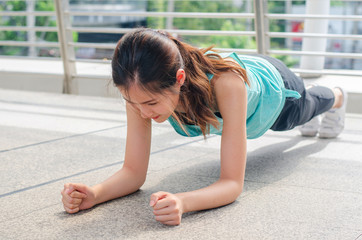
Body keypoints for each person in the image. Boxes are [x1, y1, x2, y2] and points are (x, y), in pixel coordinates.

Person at [61, 28, 347, 225]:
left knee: (306, 110)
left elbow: (232, 184)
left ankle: (336, 96)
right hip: (241, 74)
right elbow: (134, 173)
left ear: (179, 78)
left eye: (150, 104)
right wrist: (95, 194)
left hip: (277, 94)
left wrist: (183, 202)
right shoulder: (139, 92)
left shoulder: (227, 86)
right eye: (133, 103)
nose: (141, 113)